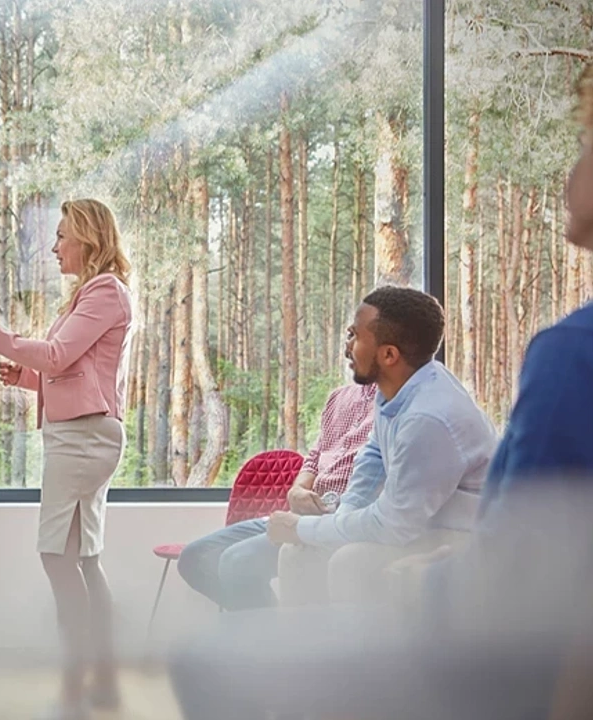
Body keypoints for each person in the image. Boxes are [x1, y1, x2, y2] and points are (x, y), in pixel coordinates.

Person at [165, 68, 593, 719]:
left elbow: (498, 551)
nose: (569, 178)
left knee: (208, 661)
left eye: (586, 144)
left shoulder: (546, 365)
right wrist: (320, 522)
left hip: (467, 578)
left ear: (388, 353)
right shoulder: (395, 401)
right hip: (460, 565)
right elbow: (369, 470)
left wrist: (389, 566)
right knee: (285, 567)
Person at [0, 198, 132, 720]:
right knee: (83, 559)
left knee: (58, 558)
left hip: (82, 437)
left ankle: (74, 688)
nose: (55, 245)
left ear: (87, 239)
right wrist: (31, 378)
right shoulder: (94, 294)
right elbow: (79, 369)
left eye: (62, 236)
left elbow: (59, 355)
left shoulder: (104, 291)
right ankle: (99, 682)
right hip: (85, 431)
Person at [265, 287, 497, 605]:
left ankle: (364, 656)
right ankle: (307, 654)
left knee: (350, 562)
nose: (347, 348)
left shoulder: (427, 418)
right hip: (421, 525)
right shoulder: (397, 388)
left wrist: (305, 527)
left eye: (355, 336)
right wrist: (335, 520)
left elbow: (392, 525)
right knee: (299, 554)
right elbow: (372, 459)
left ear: (388, 355)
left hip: (465, 535)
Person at [177, 381, 377, 611]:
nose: (348, 347)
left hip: (335, 520)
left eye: (356, 341)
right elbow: (314, 457)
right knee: (195, 558)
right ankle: (267, 627)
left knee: (237, 560)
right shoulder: (339, 397)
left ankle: (267, 638)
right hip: (301, 513)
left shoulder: (396, 405)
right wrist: (297, 490)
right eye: (348, 341)